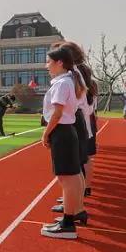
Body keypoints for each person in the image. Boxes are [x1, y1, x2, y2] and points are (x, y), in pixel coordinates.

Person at [40, 45, 85, 239]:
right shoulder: (68, 81)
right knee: (71, 177)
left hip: (62, 131)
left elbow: (57, 113)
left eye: (49, 62)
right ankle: (71, 216)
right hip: (67, 131)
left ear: (59, 63)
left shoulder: (62, 83)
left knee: (66, 179)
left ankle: (68, 224)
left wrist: (45, 134)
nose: (46, 66)